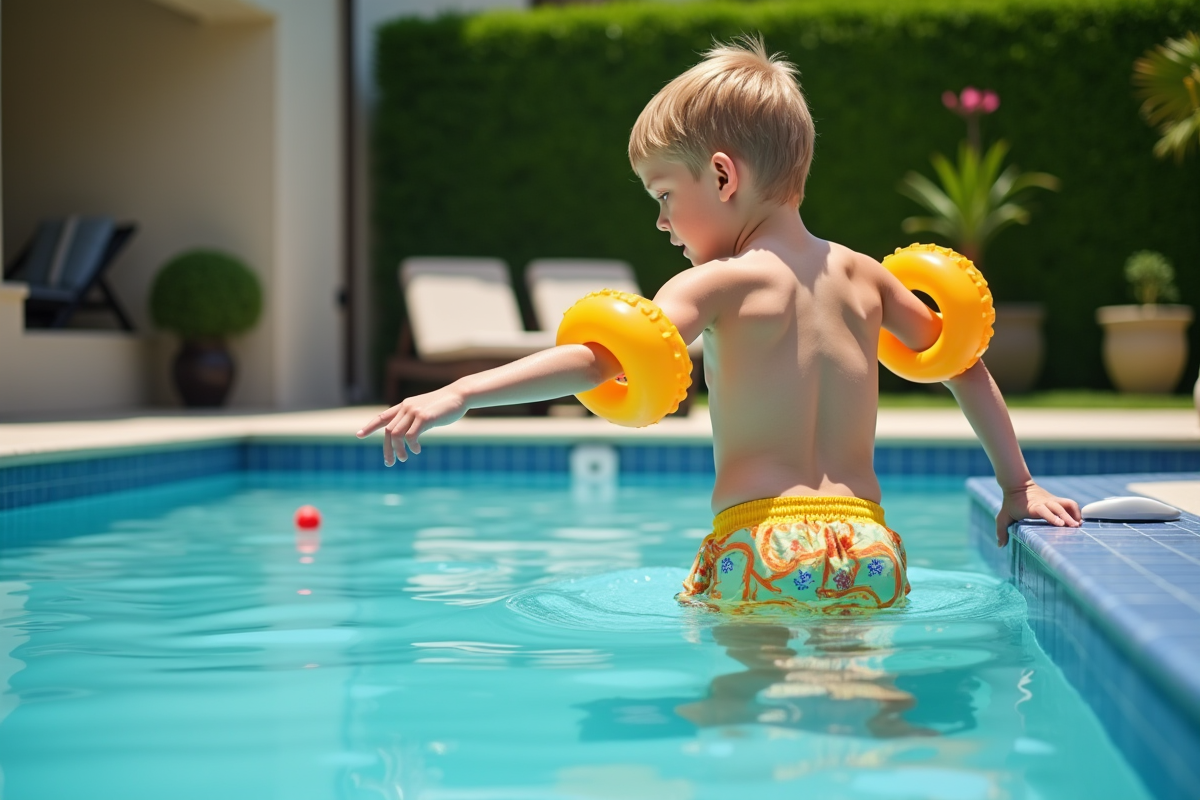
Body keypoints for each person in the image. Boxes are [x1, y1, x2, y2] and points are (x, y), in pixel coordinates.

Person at [357, 36, 1081, 609]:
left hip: (757, 546)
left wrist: (460, 394)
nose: (663, 221)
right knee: (862, 708)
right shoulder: (866, 275)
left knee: (739, 720)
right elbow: (962, 361)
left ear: (724, 177)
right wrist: (1018, 488)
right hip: (869, 547)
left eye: (666, 194)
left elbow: (601, 357)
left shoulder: (722, 283)